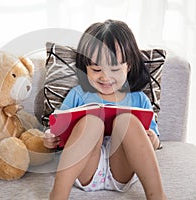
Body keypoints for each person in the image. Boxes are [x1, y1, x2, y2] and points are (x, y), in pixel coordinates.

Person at [43, 19, 166, 200]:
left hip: (121, 168)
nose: (105, 77)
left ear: (128, 66)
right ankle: (58, 194)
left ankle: (157, 195)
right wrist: (50, 138)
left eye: (115, 69)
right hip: (85, 169)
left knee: (128, 120)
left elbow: (153, 142)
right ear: (86, 68)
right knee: (91, 121)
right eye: (96, 69)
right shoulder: (78, 94)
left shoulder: (139, 99)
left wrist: (153, 139)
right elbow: (58, 128)